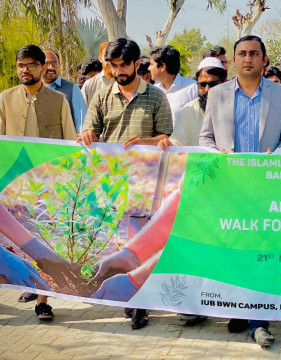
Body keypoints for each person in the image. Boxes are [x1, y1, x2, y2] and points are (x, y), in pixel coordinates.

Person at [199, 36, 281, 347]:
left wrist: (275, 159)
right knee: (234, 249)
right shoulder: (217, 94)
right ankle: (237, 307)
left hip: (266, 187)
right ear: (235, 59)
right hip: (230, 188)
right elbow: (205, 138)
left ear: (265, 59)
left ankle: (259, 320)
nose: (248, 58)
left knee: (260, 252)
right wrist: (218, 157)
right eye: (242, 54)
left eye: (254, 53)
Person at [79, 38, 173, 329]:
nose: (119, 71)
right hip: (111, 183)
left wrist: (150, 141)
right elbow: (88, 130)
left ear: (136, 64)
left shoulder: (156, 97)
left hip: (146, 185)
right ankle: (124, 298)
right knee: (117, 243)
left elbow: (167, 139)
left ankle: (141, 306)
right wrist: (87, 137)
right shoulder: (101, 96)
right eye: (114, 65)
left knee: (140, 246)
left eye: (124, 65)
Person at [0, 44, 78, 318]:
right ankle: (20, 285)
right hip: (12, 186)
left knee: (47, 241)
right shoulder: (5, 99)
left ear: (43, 67)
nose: (25, 70)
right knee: (12, 243)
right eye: (21, 65)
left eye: (32, 64)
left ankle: (44, 300)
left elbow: (69, 144)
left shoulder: (59, 101)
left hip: (49, 186)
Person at [159, 57, 227, 148]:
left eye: (212, 84)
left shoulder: (234, 106)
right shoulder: (189, 110)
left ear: (223, 82)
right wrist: (168, 144)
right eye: (202, 85)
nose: (207, 90)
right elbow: (178, 141)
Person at [148, 45, 196, 127]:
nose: (149, 68)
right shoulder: (152, 90)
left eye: (152, 64)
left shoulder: (192, 88)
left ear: (162, 66)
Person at [42, 50, 86, 133]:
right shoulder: (34, 89)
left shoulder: (72, 88)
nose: (51, 67)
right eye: (47, 64)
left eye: (55, 63)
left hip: (65, 143)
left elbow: (81, 122)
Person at [81, 42, 114, 106]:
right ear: (100, 59)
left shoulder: (127, 81)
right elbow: (83, 111)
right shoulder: (89, 85)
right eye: (106, 56)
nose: (110, 60)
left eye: (113, 56)